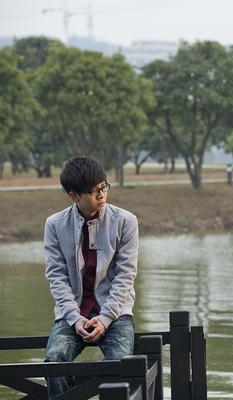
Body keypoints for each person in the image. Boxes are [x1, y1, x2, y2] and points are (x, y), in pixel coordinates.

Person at [43, 155, 139, 398]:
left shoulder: (126, 221)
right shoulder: (54, 225)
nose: (102, 195)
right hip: (72, 312)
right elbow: (56, 277)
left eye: (104, 186)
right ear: (74, 196)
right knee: (54, 360)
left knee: (121, 363)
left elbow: (126, 275)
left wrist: (106, 318)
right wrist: (74, 318)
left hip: (116, 312)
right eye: (94, 191)